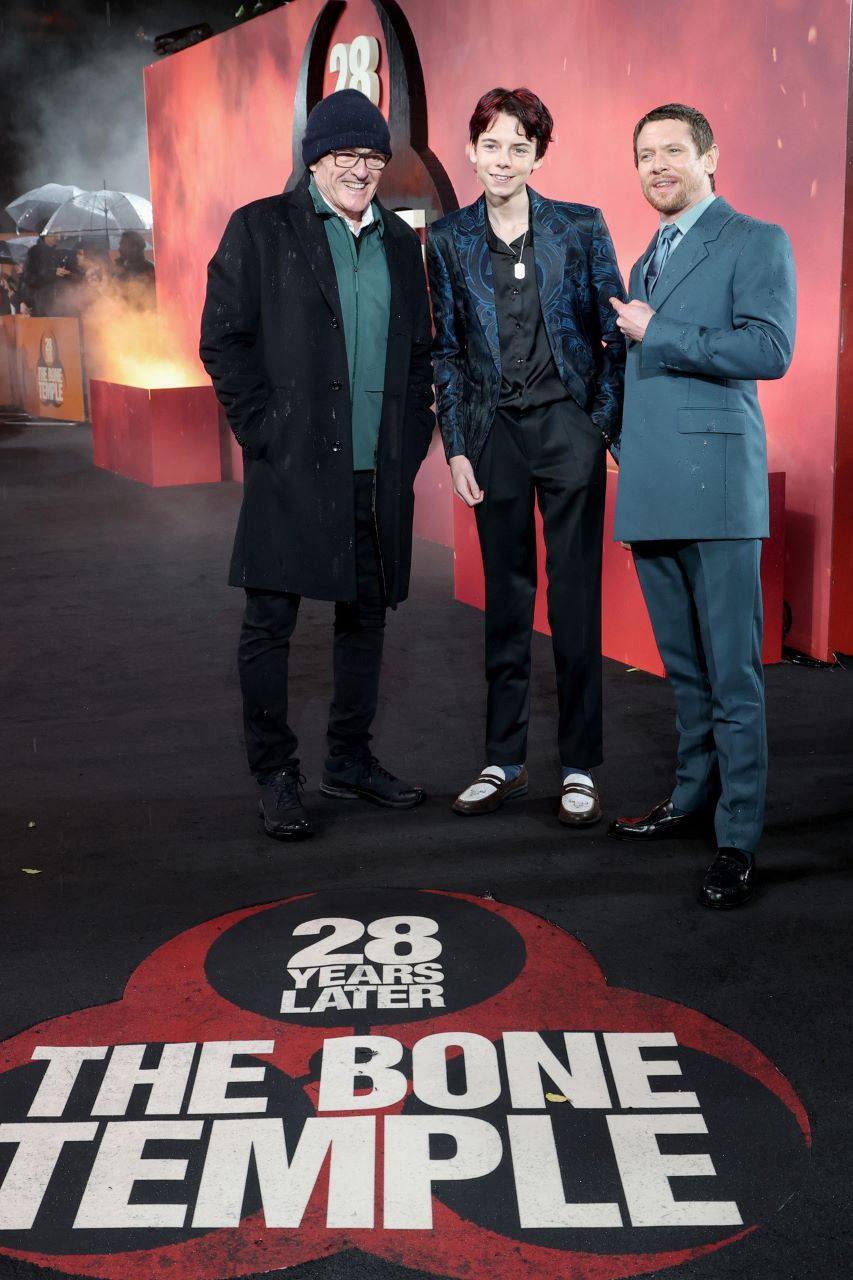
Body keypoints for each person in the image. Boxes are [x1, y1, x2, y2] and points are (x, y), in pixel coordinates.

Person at [200, 89, 435, 841]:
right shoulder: (261, 227)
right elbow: (224, 341)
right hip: (292, 465)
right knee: (270, 623)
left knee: (365, 618)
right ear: (315, 160)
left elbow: (421, 353)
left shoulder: (399, 242)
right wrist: (264, 432)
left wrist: (412, 439)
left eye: (373, 157)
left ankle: (349, 759)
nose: (361, 170)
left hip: (376, 471)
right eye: (346, 155)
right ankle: (275, 773)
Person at [608, 103, 796, 909]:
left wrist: (660, 331)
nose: (656, 166)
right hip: (651, 486)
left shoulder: (755, 239)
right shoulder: (645, 258)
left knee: (732, 676)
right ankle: (689, 800)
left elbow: (769, 349)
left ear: (709, 156)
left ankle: (737, 838)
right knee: (683, 670)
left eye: (672, 151)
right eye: (644, 154)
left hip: (717, 490)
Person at [426, 87, 626, 825]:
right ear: (471, 151)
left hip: (567, 430)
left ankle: (578, 766)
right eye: (491, 145)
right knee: (504, 602)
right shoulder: (446, 238)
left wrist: (597, 426)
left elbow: (614, 333)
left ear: (539, 155)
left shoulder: (579, 226)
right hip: (494, 438)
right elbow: (447, 350)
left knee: (574, 602)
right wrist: (457, 446)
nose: (502, 159)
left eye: (518, 146)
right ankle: (503, 761)